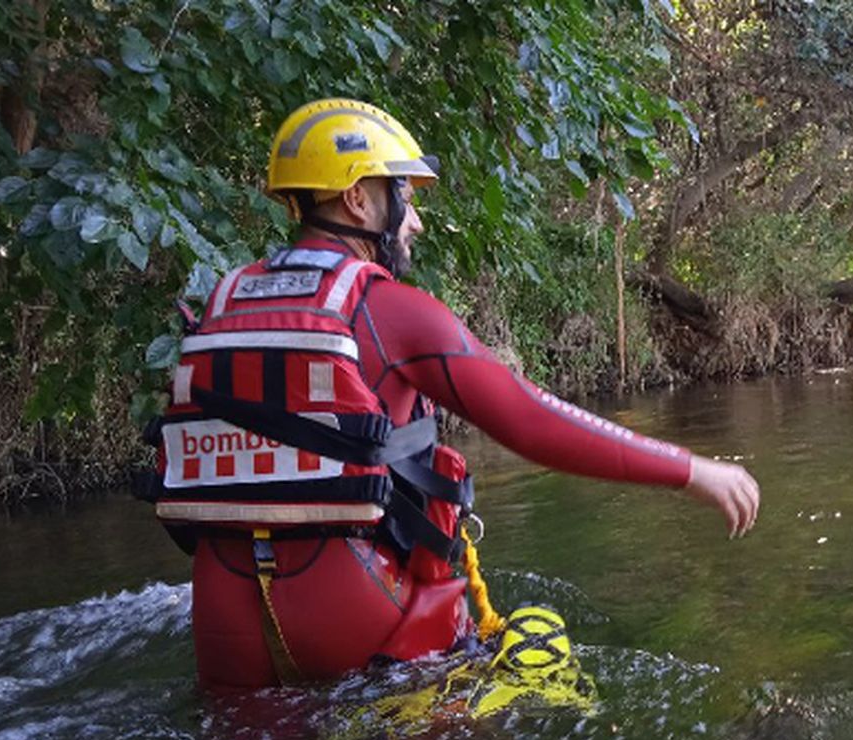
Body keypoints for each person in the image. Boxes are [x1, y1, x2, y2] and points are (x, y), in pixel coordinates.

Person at [138, 98, 759, 690]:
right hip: (351, 612)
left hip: (222, 614)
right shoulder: (390, 312)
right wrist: (691, 469)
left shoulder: (224, 304)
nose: (415, 218)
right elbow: (530, 420)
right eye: (402, 196)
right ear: (357, 198)